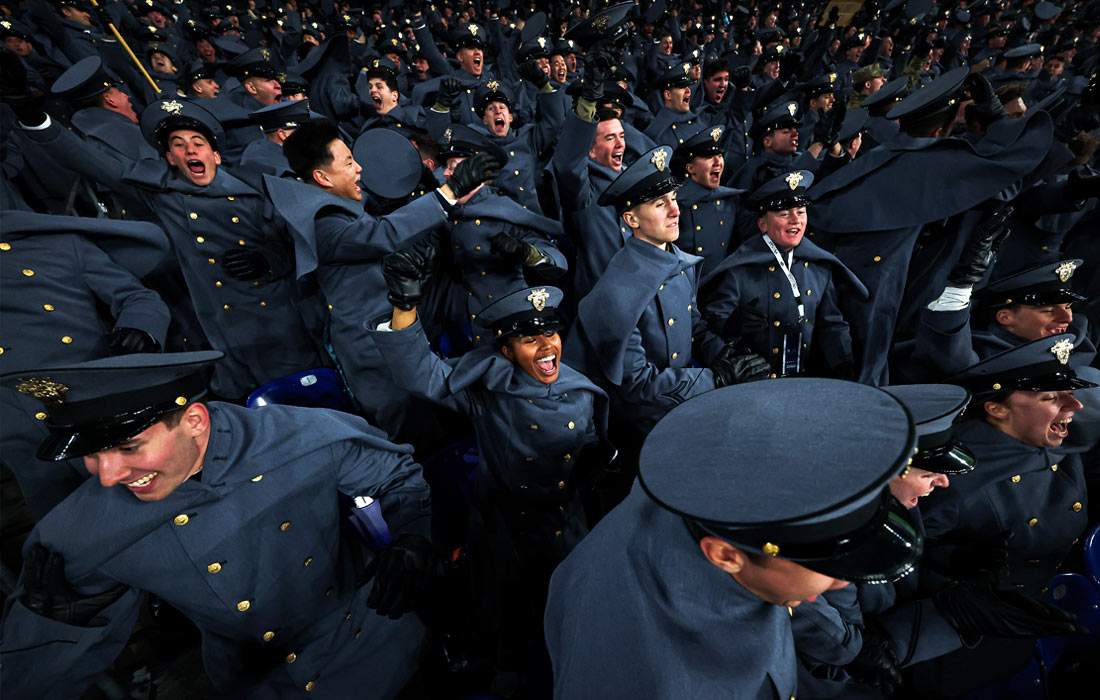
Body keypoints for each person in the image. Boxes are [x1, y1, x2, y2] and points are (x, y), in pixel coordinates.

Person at [0, 351, 434, 699]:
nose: (107, 475)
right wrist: (57, 631)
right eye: (91, 455)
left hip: (372, 649)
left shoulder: (300, 437)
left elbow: (394, 474)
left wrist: (412, 530)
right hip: (260, 686)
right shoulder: (78, 533)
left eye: (129, 447)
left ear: (194, 421)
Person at [544, 379, 926, 699]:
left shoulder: (709, 500)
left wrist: (847, 646)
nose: (843, 582)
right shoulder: (653, 681)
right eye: (827, 565)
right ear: (725, 555)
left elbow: (773, 584)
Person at [370, 277, 610, 694]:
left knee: (575, 611)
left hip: (567, 520)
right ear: (506, 352)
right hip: (507, 529)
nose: (546, 346)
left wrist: (595, 457)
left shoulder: (579, 387)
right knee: (509, 628)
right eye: (529, 340)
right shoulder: (488, 391)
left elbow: (590, 440)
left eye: (549, 333)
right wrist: (403, 305)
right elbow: (418, 374)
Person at [10, 95, 325, 400]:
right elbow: (92, 162)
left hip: (278, 332)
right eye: (179, 145)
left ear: (215, 155)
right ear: (170, 159)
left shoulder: (257, 191)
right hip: (220, 339)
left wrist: (267, 260)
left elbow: (301, 244)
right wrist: (38, 122)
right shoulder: (164, 193)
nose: (190, 149)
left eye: (198, 143)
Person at [907, 334, 1096, 696]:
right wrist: (951, 570)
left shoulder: (1057, 449)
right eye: (1051, 397)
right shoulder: (951, 482)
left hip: (1018, 632)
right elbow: (893, 573)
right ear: (996, 408)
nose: (1075, 405)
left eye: (1069, 393)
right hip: (954, 650)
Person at [564, 144, 771, 443]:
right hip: (640, 427)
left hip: (682, 404)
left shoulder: (680, 263)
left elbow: (694, 328)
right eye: (660, 204)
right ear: (631, 220)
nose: (676, 210)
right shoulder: (615, 292)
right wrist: (718, 378)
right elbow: (636, 386)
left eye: (673, 198)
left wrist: (728, 356)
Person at [700, 170, 865, 379]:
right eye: (784, 214)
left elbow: (831, 324)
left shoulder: (819, 267)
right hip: (754, 384)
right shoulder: (737, 272)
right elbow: (708, 331)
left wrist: (843, 362)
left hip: (805, 380)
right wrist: (731, 327)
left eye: (801, 211)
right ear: (762, 224)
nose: (795, 220)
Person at [670, 123, 758, 275]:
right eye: (709, 157)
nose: (718, 162)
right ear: (690, 168)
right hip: (686, 284)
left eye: (720, 155)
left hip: (719, 285)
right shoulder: (676, 204)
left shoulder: (732, 200)